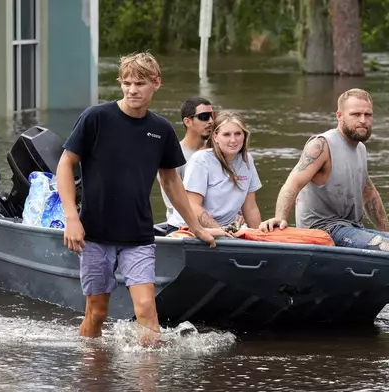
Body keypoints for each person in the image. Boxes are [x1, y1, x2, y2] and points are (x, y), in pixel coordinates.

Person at [56, 51, 228, 344]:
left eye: (139, 83)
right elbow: (65, 164)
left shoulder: (160, 130)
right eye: (126, 83)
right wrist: (72, 218)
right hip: (94, 233)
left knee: (147, 309)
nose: (132, 89)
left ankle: (148, 383)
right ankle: (91, 377)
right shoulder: (96, 118)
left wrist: (196, 227)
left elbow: (171, 181)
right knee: (96, 312)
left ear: (156, 83)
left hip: (138, 234)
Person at [259, 88, 389, 327]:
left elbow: (369, 193)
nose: (363, 120)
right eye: (356, 114)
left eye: (368, 115)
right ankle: (360, 307)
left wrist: (388, 230)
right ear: (340, 116)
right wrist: (280, 218)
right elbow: (292, 183)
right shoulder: (322, 145)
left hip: (351, 227)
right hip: (325, 228)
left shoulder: (360, 148)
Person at [167, 110, 262, 232]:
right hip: (186, 228)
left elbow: (250, 208)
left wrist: (259, 237)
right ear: (215, 137)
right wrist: (221, 232)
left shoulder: (247, 160)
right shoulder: (201, 159)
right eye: (226, 135)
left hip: (225, 230)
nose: (233, 140)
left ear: (244, 135)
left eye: (238, 134)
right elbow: (193, 206)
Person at [159, 97, 215, 220]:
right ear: (187, 121)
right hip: (185, 226)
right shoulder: (173, 155)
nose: (211, 121)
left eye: (212, 115)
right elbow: (173, 205)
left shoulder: (218, 153)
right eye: (204, 117)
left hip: (220, 220)